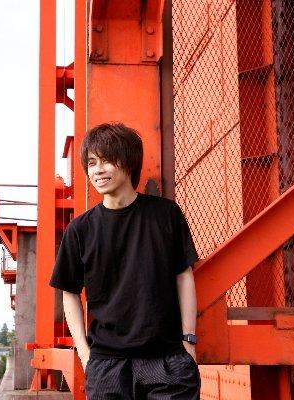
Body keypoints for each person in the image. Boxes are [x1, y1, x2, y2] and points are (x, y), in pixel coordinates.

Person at [50, 122, 201, 399]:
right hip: (107, 366)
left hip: (167, 360)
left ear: (129, 163)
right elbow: (68, 292)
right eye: (92, 163)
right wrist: (85, 355)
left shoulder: (165, 215)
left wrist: (188, 340)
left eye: (106, 160)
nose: (98, 170)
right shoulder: (80, 229)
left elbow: (184, 276)